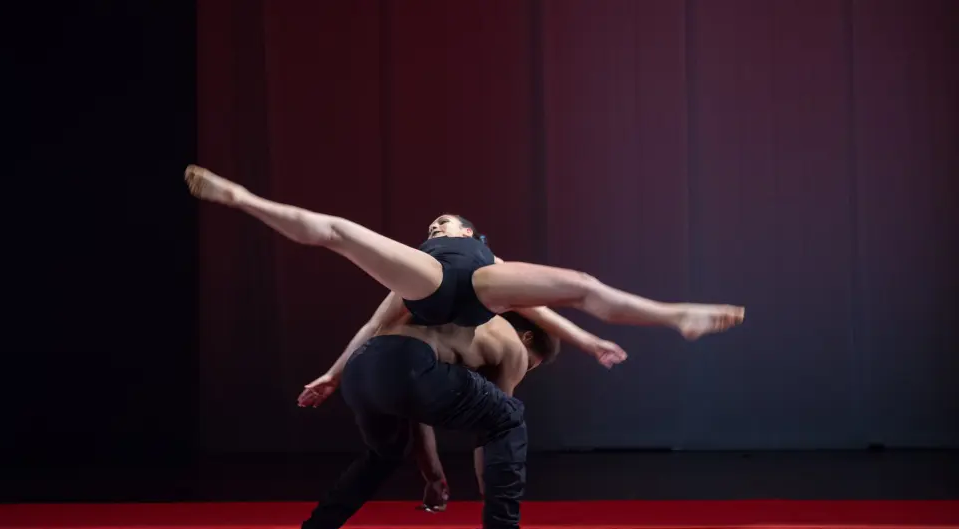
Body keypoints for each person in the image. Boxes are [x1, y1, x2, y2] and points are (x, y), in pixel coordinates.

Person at [184, 166, 745, 341]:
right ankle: (241, 198)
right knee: (338, 231)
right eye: (432, 223)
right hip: (432, 286)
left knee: (579, 281)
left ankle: (677, 316)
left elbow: (540, 307)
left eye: (444, 222)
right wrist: (334, 373)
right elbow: (375, 321)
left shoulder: (490, 259)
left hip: (477, 290)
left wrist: (587, 339)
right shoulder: (423, 255)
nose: (436, 223)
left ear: (474, 232)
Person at [293, 308, 562, 529]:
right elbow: (493, 433)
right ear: (526, 337)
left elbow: (414, 408)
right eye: (530, 365)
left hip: (361, 367)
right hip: (408, 364)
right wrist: (493, 519)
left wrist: (433, 476)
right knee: (509, 418)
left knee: (384, 454)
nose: (522, 371)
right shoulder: (512, 345)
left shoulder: (461, 328)